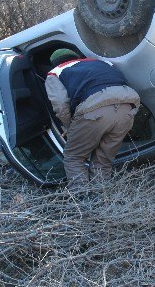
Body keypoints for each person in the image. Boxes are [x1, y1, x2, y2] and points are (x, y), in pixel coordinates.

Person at [45, 48, 140, 188]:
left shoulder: (55, 72)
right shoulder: (102, 62)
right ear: (76, 56)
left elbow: (60, 105)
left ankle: (83, 200)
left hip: (93, 110)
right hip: (127, 108)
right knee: (103, 162)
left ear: (55, 62)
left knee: (74, 157)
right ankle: (103, 198)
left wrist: (70, 127)